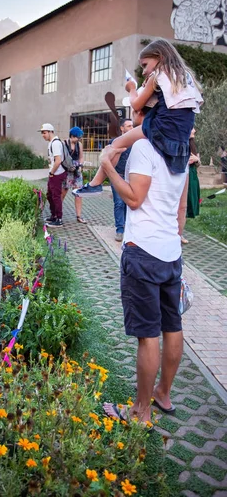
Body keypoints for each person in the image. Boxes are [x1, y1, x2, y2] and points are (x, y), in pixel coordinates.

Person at [101, 106, 188, 425]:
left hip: (143, 252)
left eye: (138, 109)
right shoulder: (180, 152)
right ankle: (163, 394)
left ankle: (140, 410)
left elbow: (134, 199)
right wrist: (173, 241)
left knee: (148, 334)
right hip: (170, 252)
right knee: (172, 325)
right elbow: (181, 211)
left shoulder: (142, 147)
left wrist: (107, 167)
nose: (133, 112)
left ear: (149, 116)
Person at [73, 38, 203, 197]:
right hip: (180, 138)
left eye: (144, 65)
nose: (143, 72)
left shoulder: (158, 76)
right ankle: (95, 184)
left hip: (160, 130)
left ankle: (95, 184)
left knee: (115, 144)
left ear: (159, 57)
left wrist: (132, 88)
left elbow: (135, 104)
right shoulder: (185, 77)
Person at [40, 123, 67, 227]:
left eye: (44, 132)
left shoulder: (55, 143)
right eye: (42, 133)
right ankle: (54, 215)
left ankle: (58, 218)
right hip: (54, 173)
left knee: (55, 196)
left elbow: (58, 160)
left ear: (51, 132)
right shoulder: (52, 142)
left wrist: (52, 172)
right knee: (50, 195)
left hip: (57, 173)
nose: (43, 135)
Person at [110, 119, 133, 241]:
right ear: (122, 128)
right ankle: (119, 229)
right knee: (119, 202)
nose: (131, 128)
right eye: (128, 126)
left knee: (128, 203)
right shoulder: (115, 142)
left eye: (132, 126)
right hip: (117, 176)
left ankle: (127, 227)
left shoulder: (136, 143)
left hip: (131, 178)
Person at [61, 127, 87, 224]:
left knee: (78, 193)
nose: (79, 139)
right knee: (63, 193)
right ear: (72, 136)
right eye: (78, 137)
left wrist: (80, 165)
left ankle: (79, 216)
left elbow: (81, 157)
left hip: (76, 171)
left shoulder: (79, 145)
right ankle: (57, 214)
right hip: (66, 171)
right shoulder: (64, 143)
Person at [181, 128, 201, 244]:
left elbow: (198, 163)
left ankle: (180, 230)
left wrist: (196, 159)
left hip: (192, 176)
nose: (194, 131)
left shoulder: (193, 145)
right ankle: (178, 232)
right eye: (191, 128)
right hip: (183, 176)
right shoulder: (181, 144)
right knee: (181, 205)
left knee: (188, 204)